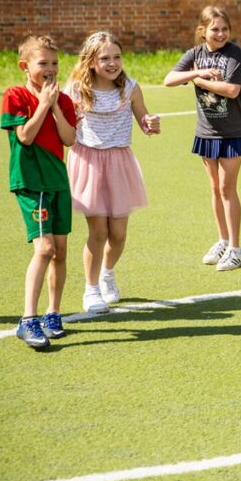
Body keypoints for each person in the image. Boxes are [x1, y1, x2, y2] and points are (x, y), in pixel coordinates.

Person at [66, 31, 160, 314]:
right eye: (105, 58)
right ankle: (91, 289)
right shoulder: (76, 89)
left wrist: (150, 124)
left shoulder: (130, 88)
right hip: (89, 162)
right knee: (98, 232)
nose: (112, 63)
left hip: (119, 162)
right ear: (91, 62)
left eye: (117, 57)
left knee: (118, 234)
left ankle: (107, 274)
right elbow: (65, 128)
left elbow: (144, 120)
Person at [0, 35, 78, 350]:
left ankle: (53, 313)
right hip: (32, 183)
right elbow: (26, 136)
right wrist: (43, 104)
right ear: (25, 66)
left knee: (60, 251)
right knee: (44, 248)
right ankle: (28, 319)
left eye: (55, 63)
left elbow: (69, 139)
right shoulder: (15, 94)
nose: (51, 69)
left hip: (58, 181)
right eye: (43, 63)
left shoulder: (65, 101)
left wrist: (55, 105)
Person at [163, 6, 241, 271]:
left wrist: (202, 83)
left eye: (225, 29)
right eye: (215, 29)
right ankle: (223, 241)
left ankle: (235, 249)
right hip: (206, 132)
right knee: (215, 188)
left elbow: (232, 90)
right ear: (203, 31)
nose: (221, 34)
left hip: (233, 132)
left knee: (227, 188)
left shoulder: (234, 54)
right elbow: (169, 79)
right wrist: (196, 73)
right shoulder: (195, 54)